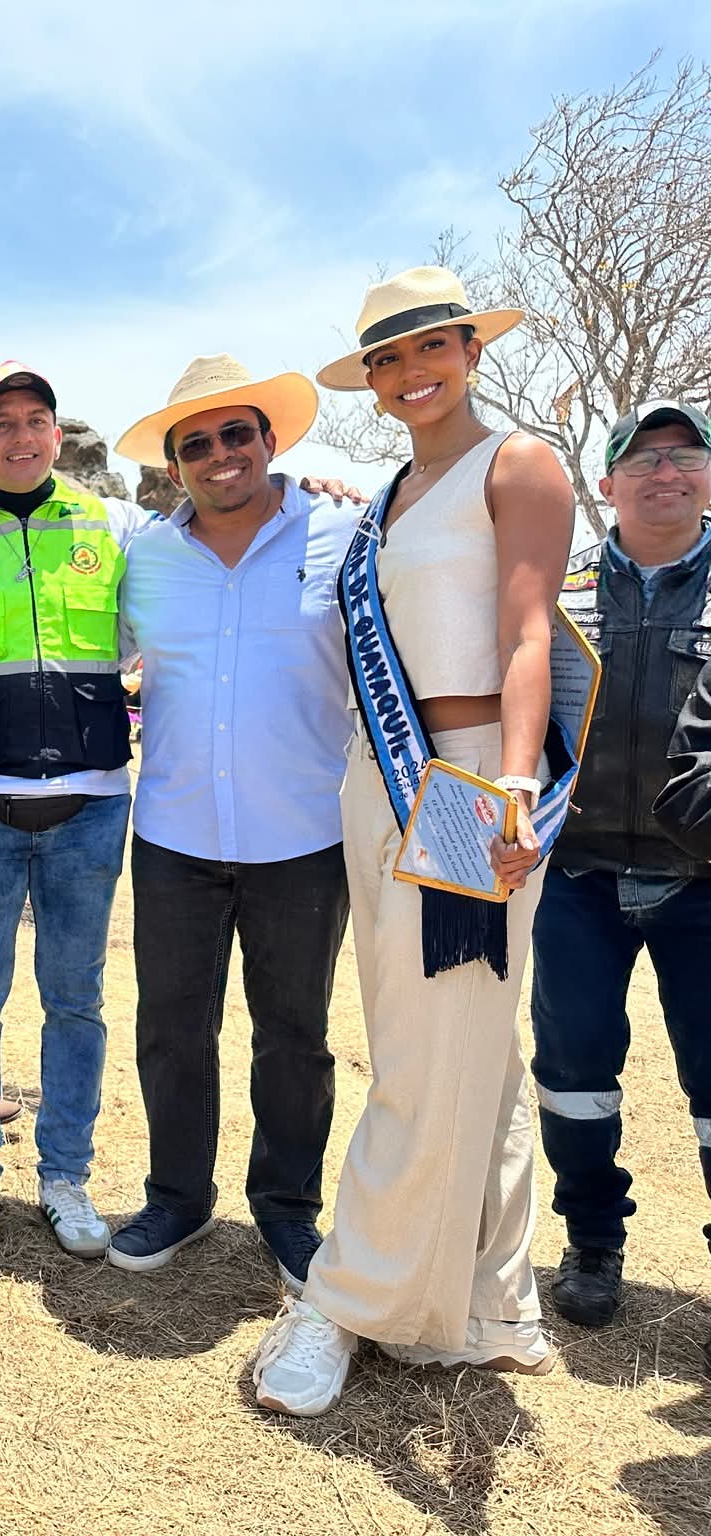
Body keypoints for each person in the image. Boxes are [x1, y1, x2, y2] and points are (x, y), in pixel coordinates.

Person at [252, 268, 575, 1418]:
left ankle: (343, 1300)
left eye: (429, 347)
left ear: (469, 350)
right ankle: (485, 1301)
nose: (407, 373)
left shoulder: (517, 463)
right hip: (376, 775)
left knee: (427, 1047)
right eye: (384, 359)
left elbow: (528, 633)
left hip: (465, 776)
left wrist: (515, 783)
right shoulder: (385, 493)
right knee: (453, 1044)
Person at [107, 356, 352, 1292]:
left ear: (270, 440)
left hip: (304, 836)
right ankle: (178, 1196)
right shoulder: (143, 558)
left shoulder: (343, 532)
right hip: (175, 834)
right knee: (172, 1026)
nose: (220, 455)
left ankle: (287, 1209)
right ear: (174, 466)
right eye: (196, 444)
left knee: (295, 1035)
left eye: (236, 434)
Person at [0, 363, 148, 1257]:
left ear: (57, 434)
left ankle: (65, 1177)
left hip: (90, 806)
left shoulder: (113, 523)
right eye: (2, 424)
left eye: (36, 420)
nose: (21, 437)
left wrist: (313, 490)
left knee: (76, 1001)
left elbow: (214, 534)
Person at [530, 400, 711, 1329]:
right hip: (578, 876)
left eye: (685, 456)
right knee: (572, 1072)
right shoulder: (556, 589)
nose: (665, 473)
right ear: (607, 484)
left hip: (703, 881)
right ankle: (593, 1242)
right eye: (642, 460)